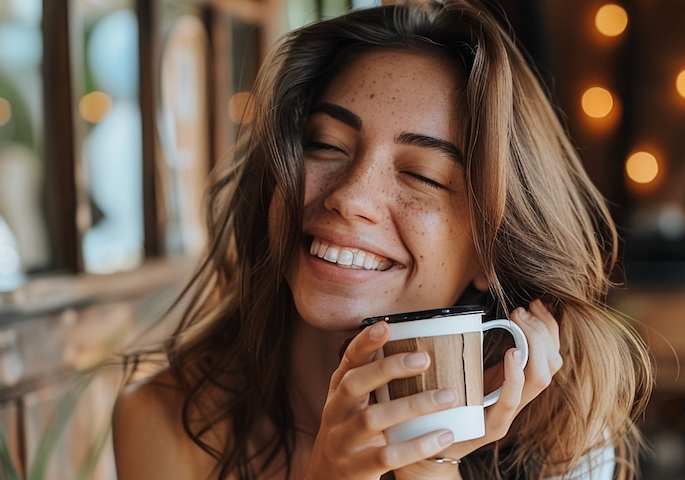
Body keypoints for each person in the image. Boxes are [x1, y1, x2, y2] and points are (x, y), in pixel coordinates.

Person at [112, 1, 652, 479]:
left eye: (423, 176)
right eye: (325, 144)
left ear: (491, 250)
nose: (351, 197)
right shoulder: (164, 418)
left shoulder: (561, 439)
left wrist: (428, 465)